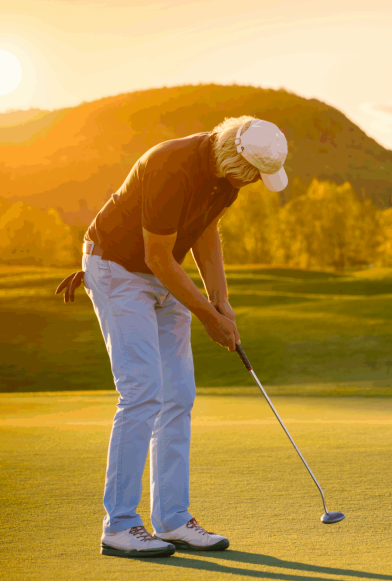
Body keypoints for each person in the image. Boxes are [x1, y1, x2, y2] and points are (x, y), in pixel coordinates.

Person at [55, 116, 289, 557]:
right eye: (254, 174)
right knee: (142, 391)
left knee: (178, 395)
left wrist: (222, 302)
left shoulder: (227, 177)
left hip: (164, 274)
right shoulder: (170, 166)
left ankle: (173, 520)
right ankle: (120, 525)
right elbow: (157, 258)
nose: (256, 183)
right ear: (235, 157)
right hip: (119, 271)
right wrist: (208, 317)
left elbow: (205, 231)